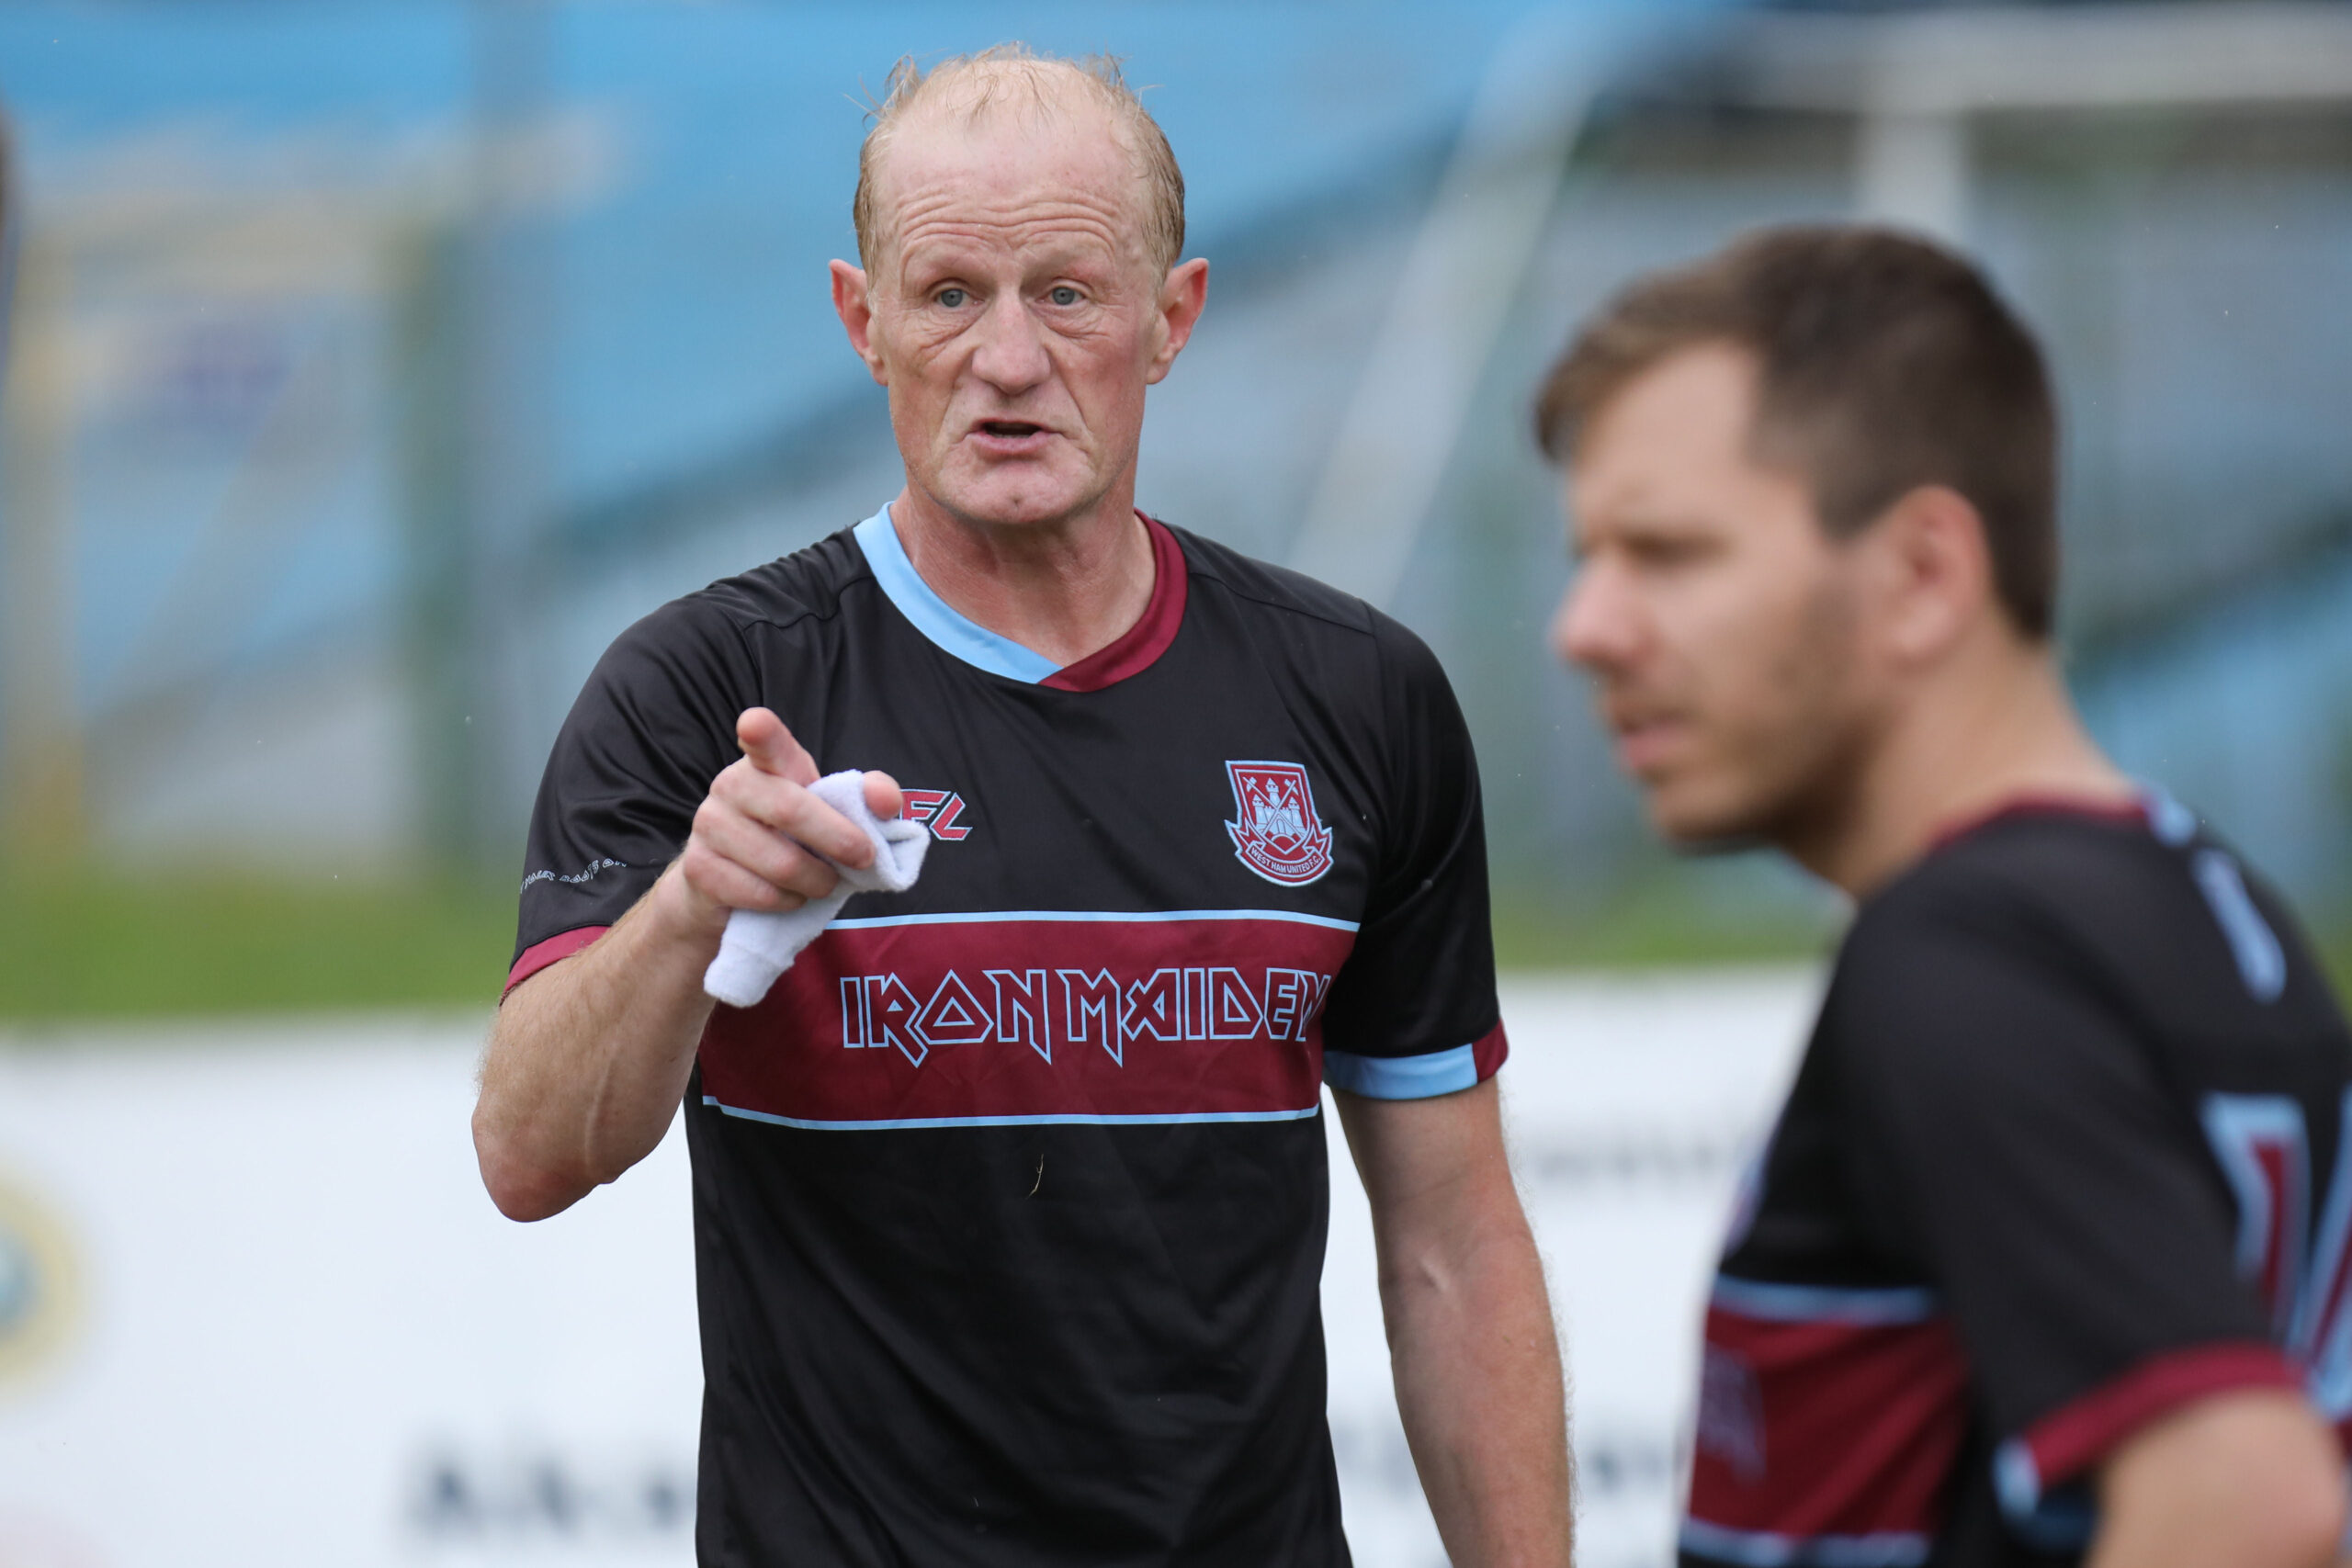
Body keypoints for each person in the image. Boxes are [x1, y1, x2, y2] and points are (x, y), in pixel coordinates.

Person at [473, 46, 1571, 1568]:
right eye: (948, 296)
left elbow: (1453, 1246)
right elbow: (531, 1156)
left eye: (1065, 293)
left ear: (1170, 319)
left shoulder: (1356, 697)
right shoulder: (705, 689)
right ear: (863, 323)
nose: (1006, 357)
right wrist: (690, 913)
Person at [1538, 226, 2351, 1568]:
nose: (1586, 628)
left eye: (1667, 554)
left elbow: (2243, 1496)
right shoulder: (2208, 908)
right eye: (1588, 558)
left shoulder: (1965, 960)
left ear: (1922, 575)